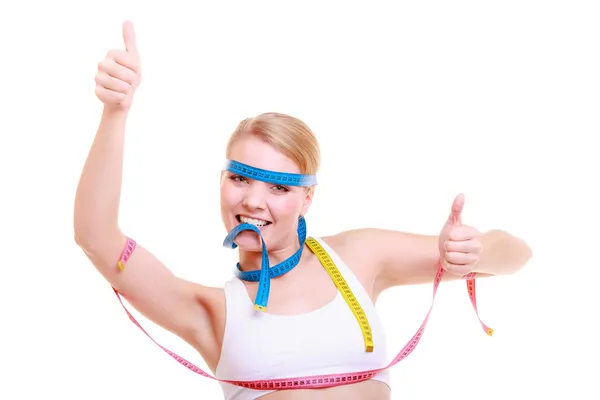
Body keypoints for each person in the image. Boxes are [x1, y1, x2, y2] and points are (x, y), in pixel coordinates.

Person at [74, 21, 533, 400]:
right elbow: (95, 237)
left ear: (307, 198)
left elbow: (517, 256)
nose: (254, 200)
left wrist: (475, 251)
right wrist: (116, 112)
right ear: (221, 183)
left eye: (278, 186)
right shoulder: (211, 312)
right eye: (240, 178)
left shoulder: (359, 258)